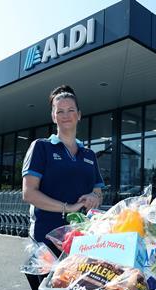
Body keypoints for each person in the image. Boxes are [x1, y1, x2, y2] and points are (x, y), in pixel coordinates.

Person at [22, 85, 104, 256]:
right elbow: (28, 193)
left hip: (82, 239)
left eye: (70, 110)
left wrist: (93, 197)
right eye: (60, 111)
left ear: (79, 115)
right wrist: (69, 208)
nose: (66, 115)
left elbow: (98, 194)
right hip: (46, 240)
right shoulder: (41, 147)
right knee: (46, 283)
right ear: (53, 116)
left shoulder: (89, 154)